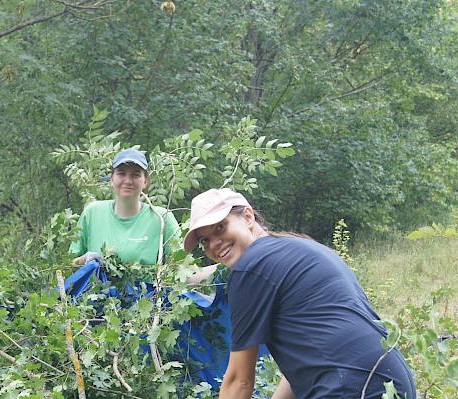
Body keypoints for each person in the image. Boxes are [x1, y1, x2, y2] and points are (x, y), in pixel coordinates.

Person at [183, 188, 416, 399]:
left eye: (220, 227)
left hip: (352, 387)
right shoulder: (302, 248)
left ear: (247, 216)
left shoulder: (252, 266)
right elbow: (307, 366)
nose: (214, 244)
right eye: (205, 240)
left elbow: (238, 381)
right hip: (391, 383)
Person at [70, 148, 178, 267]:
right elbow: (67, 266)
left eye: (135, 175)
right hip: (97, 285)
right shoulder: (92, 213)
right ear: (111, 179)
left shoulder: (162, 218)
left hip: (147, 285)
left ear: (145, 181)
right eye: (121, 173)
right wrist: (83, 260)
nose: (128, 181)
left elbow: (181, 267)